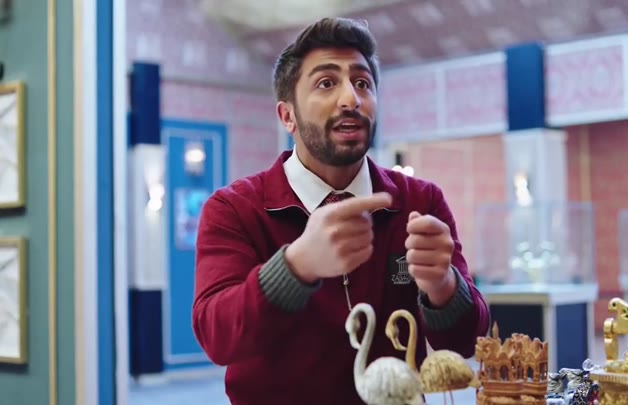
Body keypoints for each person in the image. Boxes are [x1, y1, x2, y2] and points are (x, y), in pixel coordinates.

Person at [192, 16, 490, 405]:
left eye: (362, 83)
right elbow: (216, 337)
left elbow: (468, 342)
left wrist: (443, 286)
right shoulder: (235, 209)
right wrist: (296, 266)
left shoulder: (420, 203)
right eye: (326, 83)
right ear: (287, 116)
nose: (351, 99)